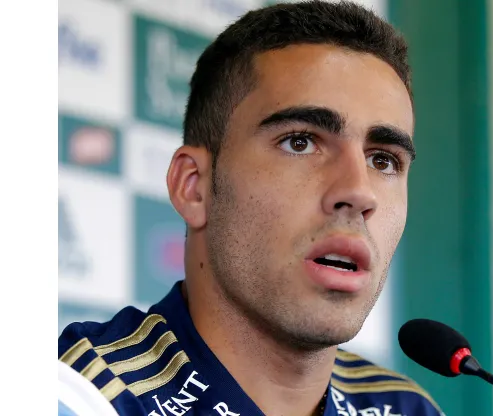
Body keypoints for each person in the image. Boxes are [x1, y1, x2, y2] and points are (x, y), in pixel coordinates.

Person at [58, 1, 444, 415]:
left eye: (383, 160)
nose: (359, 192)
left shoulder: (404, 406)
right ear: (194, 187)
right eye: (300, 141)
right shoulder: (76, 395)